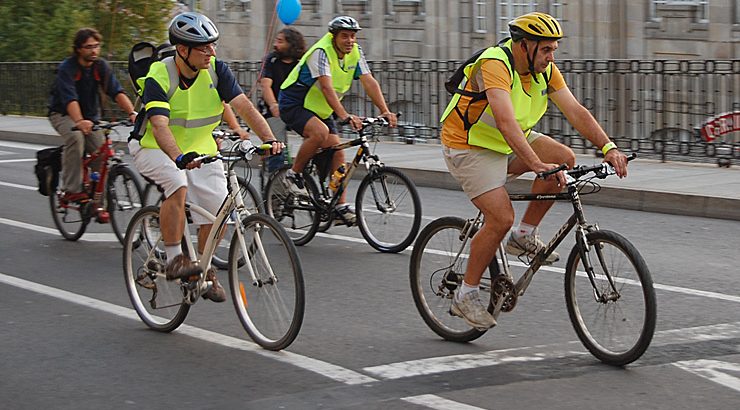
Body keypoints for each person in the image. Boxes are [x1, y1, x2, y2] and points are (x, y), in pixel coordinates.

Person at [439, 12, 629, 329]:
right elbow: (505, 121)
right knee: (500, 217)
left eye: (554, 49)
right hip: (469, 144)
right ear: (524, 45)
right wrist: (536, 164)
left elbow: (575, 111)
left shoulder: (545, 71)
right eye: (546, 50)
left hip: (508, 141)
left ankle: (523, 237)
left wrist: (608, 147)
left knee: (564, 159)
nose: (552, 56)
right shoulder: (495, 64)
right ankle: (465, 295)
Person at [128, 12, 281, 302]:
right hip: (154, 147)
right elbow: (159, 126)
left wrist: (269, 138)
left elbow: (245, 107)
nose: (211, 52)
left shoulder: (216, 71)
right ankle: (174, 259)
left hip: (202, 148)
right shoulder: (160, 74)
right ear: (182, 50)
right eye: (204, 47)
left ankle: (202, 266)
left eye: (213, 45)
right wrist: (178, 157)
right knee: (177, 183)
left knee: (219, 206)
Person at [278, 16, 397, 224]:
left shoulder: (356, 52)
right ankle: (293, 173)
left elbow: (369, 82)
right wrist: (344, 115)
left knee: (338, 150)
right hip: (294, 102)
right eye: (345, 36)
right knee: (320, 133)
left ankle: (340, 206)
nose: (350, 40)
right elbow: (326, 87)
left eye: (353, 36)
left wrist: (385, 110)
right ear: (334, 37)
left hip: (321, 108)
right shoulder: (321, 52)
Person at [48, 28, 137, 203]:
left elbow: (116, 91)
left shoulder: (100, 66)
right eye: (89, 47)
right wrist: (80, 121)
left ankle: (97, 200)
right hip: (63, 113)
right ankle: (72, 189)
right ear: (79, 49)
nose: (94, 50)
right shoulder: (67, 68)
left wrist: (132, 113)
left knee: (102, 150)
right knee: (76, 138)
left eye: (96, 46)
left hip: (90, 117)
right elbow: (69, 99)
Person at [259, 27, 306, 172]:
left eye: (280, 41)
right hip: (274, 111)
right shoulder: (271, 60)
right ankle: (276, 191)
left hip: (295, 108)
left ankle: (300, 176)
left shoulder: (301, 62)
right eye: (276, 41)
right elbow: (266, 85)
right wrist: (273, 105)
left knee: (315, 140)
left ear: (291, 44)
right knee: (277, 149)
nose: (276, 45)